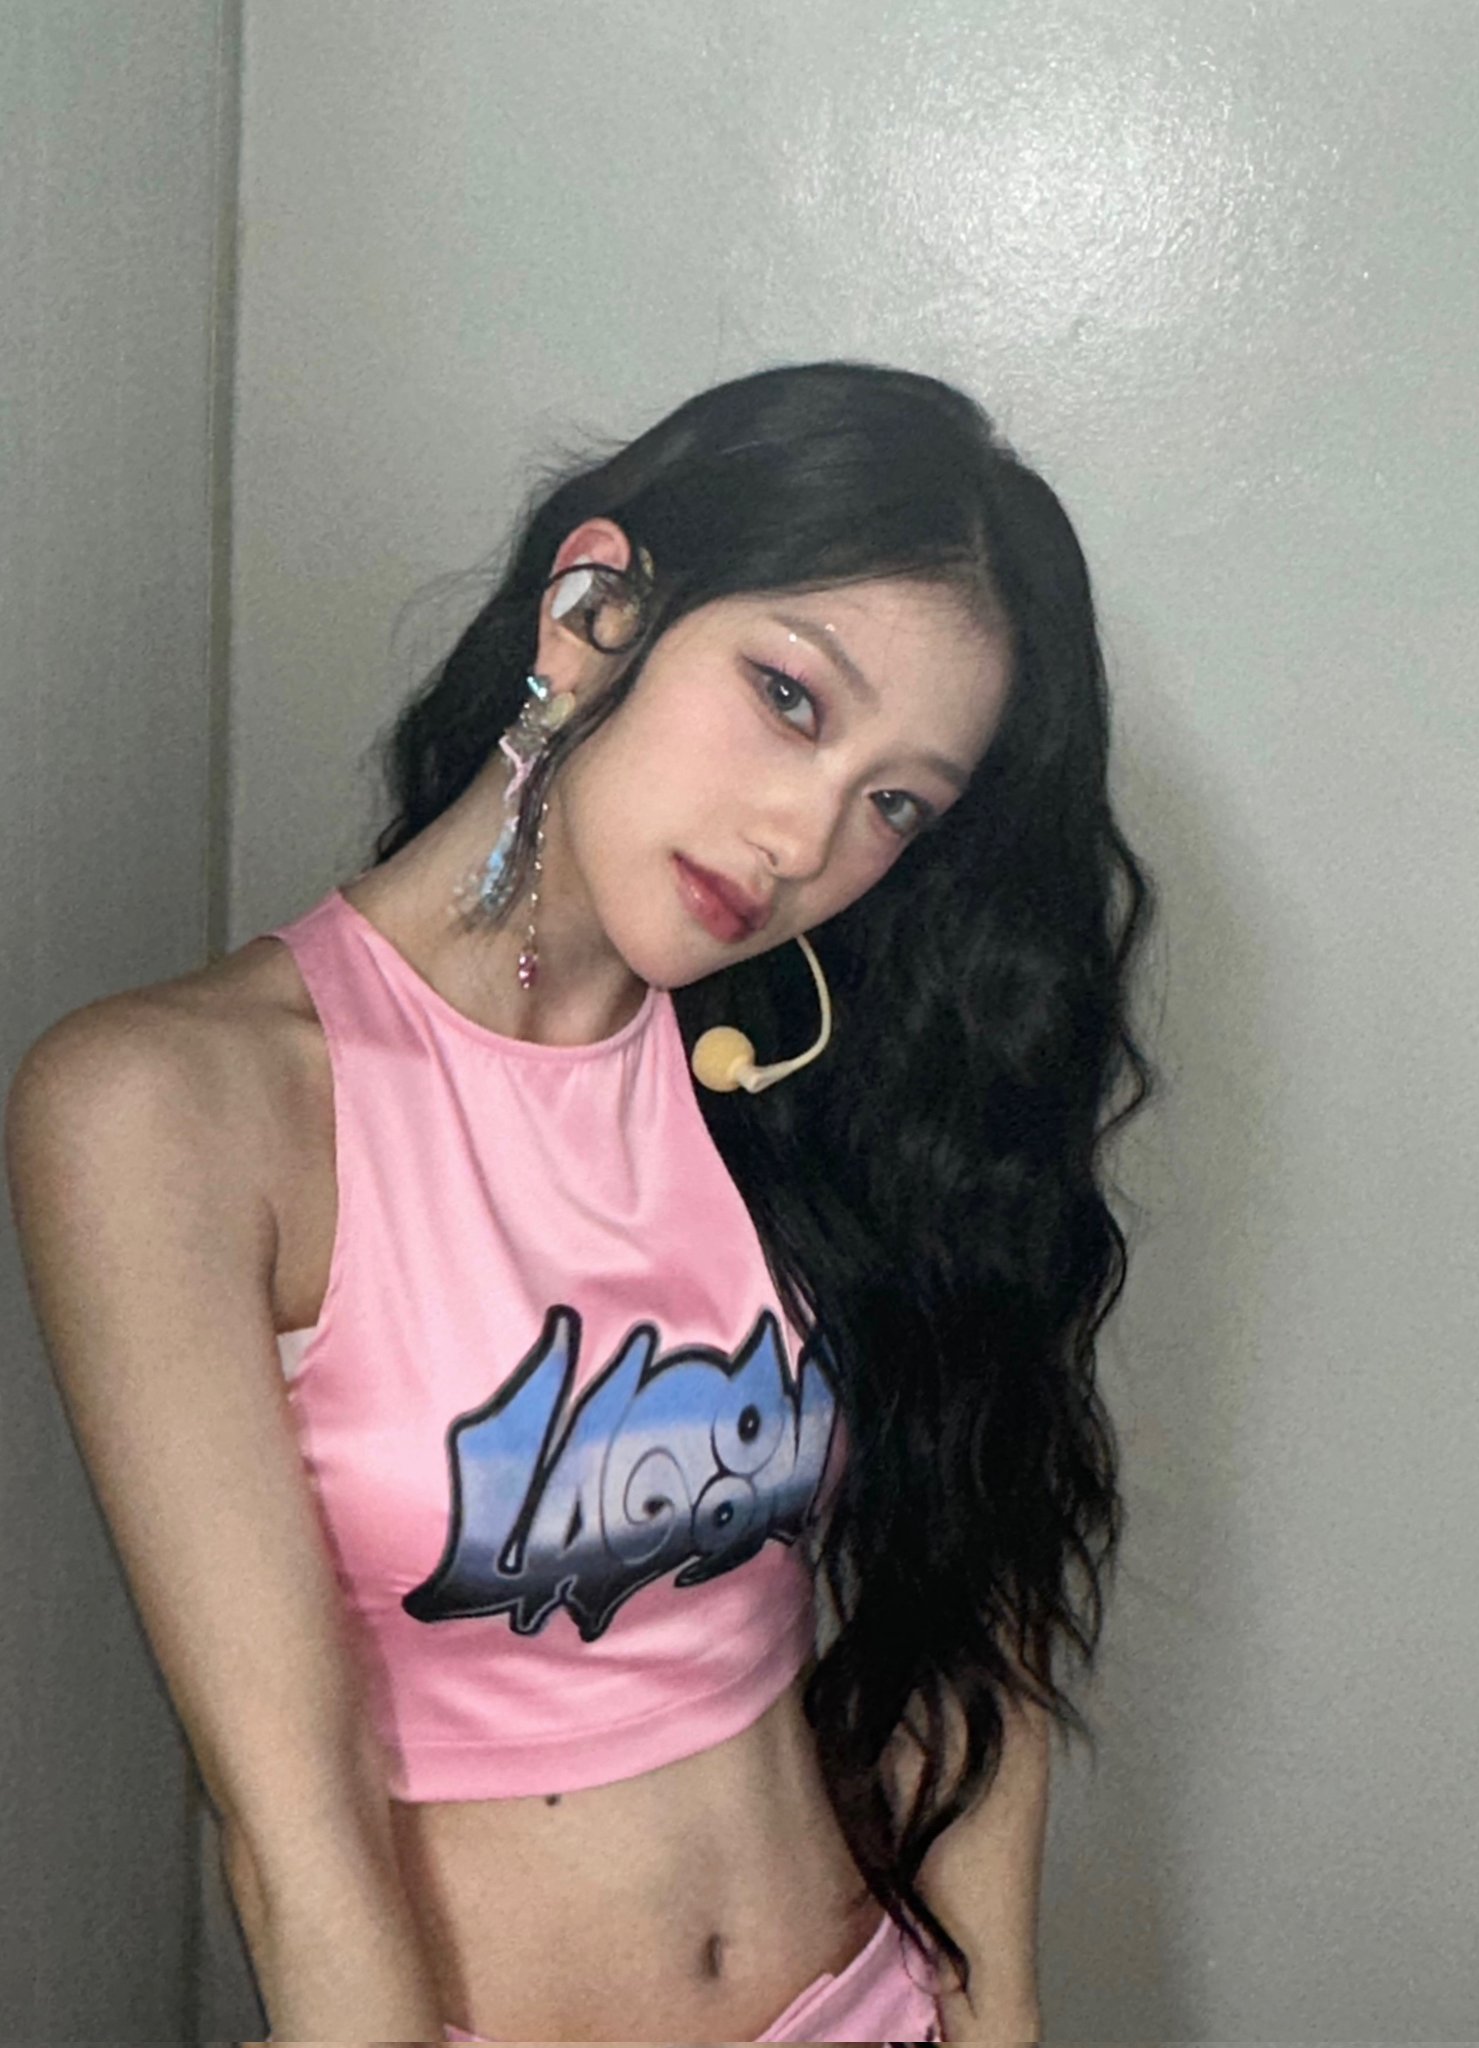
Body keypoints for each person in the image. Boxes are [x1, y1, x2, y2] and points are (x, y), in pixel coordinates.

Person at [5, 359, 1152, 2044]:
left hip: (874, 2003)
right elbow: (297, 1842)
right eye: (790, 698)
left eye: (895, 803)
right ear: (597, 611)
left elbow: (975, 1612)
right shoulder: (170, 1110)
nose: (804, 837)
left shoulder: (833, 1095)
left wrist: (1001, 2027)